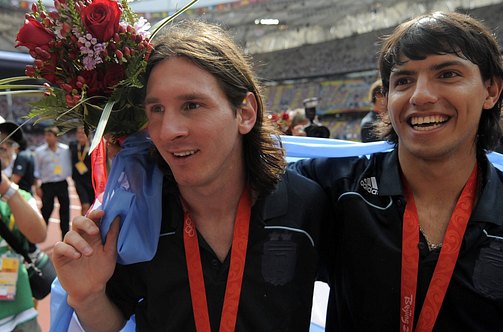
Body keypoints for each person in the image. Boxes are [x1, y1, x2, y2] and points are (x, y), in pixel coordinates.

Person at [291, 11, 503, 331]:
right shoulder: (332, 186)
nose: (421, 95)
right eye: (403, 80)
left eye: (447, 74)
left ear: (492, 90)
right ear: (387, 99)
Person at [52, 19, 327, 331]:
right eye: (156, 110)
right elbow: (114, 323)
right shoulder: (134, 219)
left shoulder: (307, 204)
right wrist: (88, 295)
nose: (168, 131)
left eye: (192, 105)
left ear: (245, 113)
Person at [0, 126, 47, 331]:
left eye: (7, 144)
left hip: (18, 308)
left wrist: (6, 189)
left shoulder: (17, 196)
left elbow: (39, 234)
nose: (3, 147)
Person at [34, 126, 71, 239]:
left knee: (65, 210)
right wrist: (37, 186)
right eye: (46, 135)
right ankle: (39, 234)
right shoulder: (39, 152)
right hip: (47, 185)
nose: (46, 138)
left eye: (49, 135)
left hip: (62, 183)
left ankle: (65, 237)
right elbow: (36, 170)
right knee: (46, 210)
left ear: (56, 137)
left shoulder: (65, 150)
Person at [69, 127, 94, 216]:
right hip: (79, 181)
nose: (81, 134)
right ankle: (82, 228)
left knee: (93, 205)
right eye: (79, 132)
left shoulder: (93, 146)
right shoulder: (72, 145)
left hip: (91, 181)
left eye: (83, 132)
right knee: (85, 205)